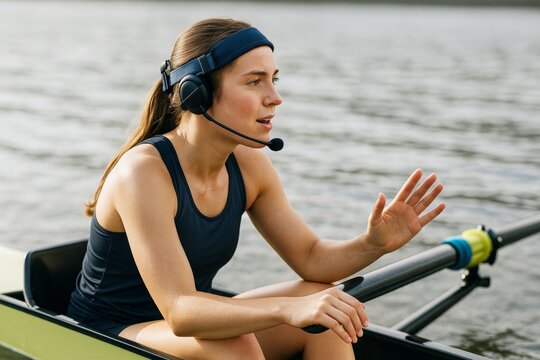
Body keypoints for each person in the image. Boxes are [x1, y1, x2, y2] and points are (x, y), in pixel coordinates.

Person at [67, 18, 445, 360]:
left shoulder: (248, 164)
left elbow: (312, 258)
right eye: (254, 81)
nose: (274, 97)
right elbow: (180, 310)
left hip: (187, 324)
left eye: (273, 79)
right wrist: (285, 309)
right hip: (108, 331)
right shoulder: (144, 172)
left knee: (322, 304)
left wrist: (373, 244)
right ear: (196, 93)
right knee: (240, 342)